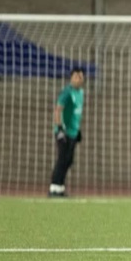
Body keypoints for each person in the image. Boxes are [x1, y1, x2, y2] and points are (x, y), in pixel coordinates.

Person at [48, 67, 85, 198]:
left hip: (73, 132)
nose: (78, 79)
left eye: (81, 76)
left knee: (69, 160)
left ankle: (60, 188)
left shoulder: (81, 93)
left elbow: (76, 113)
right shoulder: (67, 92)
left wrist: (78, 130)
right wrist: (59, 129)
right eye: (76, 76)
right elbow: (58, 110)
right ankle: (54, 188)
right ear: (71, 78)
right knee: (62, 159)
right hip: (64, 131)